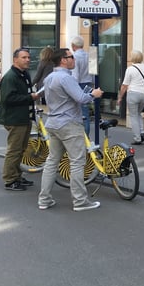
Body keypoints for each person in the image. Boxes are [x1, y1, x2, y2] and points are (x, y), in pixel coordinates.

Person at [38, 48, 104, 211]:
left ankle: (44, 199)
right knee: (77, 162)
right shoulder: (66, 78)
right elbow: (81, 98)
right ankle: (80, 201)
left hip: (53, 122)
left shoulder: (50, 77)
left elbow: (45, 96)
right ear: (63, 60)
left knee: (52, 162)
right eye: (71, 57)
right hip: (69, 124)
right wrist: (94, 94)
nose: (74, 59)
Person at [0, 47, 42, 191]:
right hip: (14, 118)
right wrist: (30, 97)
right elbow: (8, 99)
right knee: (14, 150)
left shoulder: (24, 74)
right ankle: (10, 180)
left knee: (21, 149)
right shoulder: (11, 77)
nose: (28, 60)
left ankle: (17, 176)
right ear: (15, 59)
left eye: (28, 57)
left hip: (24, 117)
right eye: (24, 57)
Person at [117, 50, 144, 145]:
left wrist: (120, 97)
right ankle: (142, 132)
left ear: (132, 58)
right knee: (138, 113)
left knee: (133, 116)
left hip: (133, 94)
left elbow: (124, 85)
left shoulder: (130, 69)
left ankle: (137, 138)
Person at [70, 36, 92, 137]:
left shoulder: (74, 57)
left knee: (76, 111)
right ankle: (86, 134)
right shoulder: (89, 55)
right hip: (88, 83)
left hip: (79, 84)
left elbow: (75, 76)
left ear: (73, 46)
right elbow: (93, 73)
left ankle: (80, 135)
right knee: (85, 111)